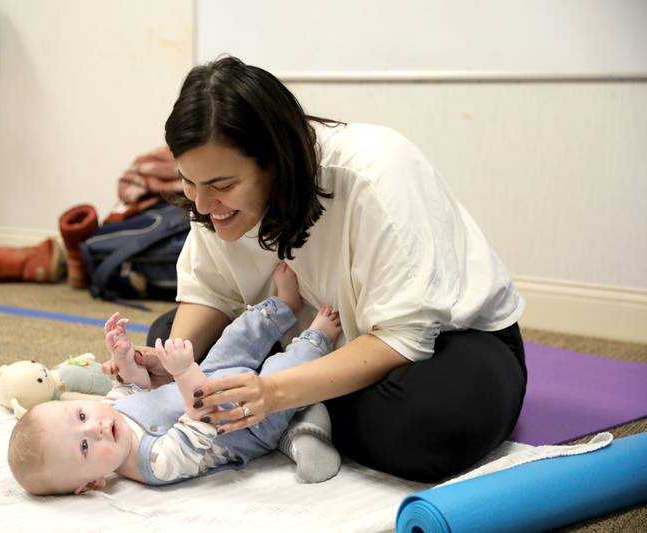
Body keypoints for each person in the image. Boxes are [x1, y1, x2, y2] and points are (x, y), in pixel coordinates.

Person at [105, 55, 528, 484]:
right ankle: (295, 412)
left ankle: (289, 413)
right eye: (188, 182)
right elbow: (210, 292)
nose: (201, 205)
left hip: (439, 345)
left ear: (275, 161)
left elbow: (404, 338)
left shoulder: (375, 172)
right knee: (168, 336)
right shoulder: (211, 194)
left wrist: (272, 392)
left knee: (430, 427)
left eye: (222, 187)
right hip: (303, 344)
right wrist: (176, 360)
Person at [7, 263, 343, 494]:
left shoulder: (111, 413)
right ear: (93, 484)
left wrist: (124, 357)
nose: (93, 428)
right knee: (282, 372)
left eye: (81, 415)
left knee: (233, 339)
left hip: (210, 376)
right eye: (84, 447)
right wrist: (182, 371)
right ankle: (318, 337)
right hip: (249, 419)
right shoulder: (155, 465)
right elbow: (202, 419)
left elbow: (135, 387)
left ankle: (283, 306)